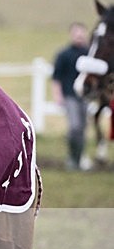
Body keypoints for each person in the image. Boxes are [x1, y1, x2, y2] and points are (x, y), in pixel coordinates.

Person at [52, 22, 90, 170]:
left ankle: (80, 158)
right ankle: (72, 157)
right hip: (70, 95)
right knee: (74, 126)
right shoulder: (64, 54)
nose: (79, 36)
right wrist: (58, 95)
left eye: (81, 33)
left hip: (86, 97)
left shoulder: (90, 54)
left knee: (83, 128)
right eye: (76, 33)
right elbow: (56, 77)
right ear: (71, 34)